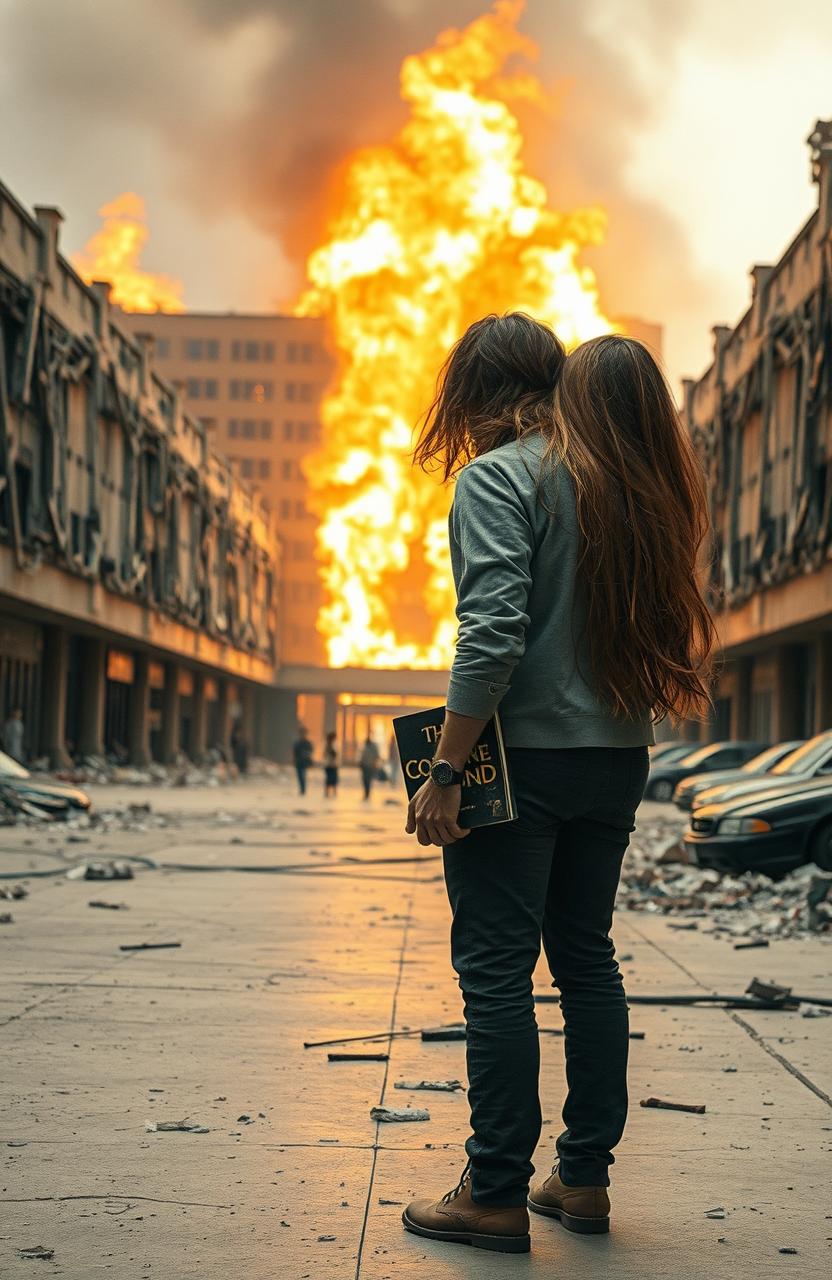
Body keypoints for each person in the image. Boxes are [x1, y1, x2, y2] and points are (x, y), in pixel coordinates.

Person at [401, 316, 715, 1255]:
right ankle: (581, 1180)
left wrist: (446, 769)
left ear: (474, 396)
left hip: (522, 761)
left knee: (496, 972)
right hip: (617, 756)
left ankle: (493, 1191)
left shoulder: (498, 479)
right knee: (586, 960)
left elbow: (491, 630)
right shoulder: (613, 479)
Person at [292, 728, 314, 796]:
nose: (302, 735)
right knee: (299, 776)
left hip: (305, 762)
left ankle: (303, 789)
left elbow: (311, 751)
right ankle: (302, 789)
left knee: (303, 775)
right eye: (301, 733)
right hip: (298, 762)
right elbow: (294, 752)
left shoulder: (308, 743)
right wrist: (294, 760)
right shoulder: (297, 743)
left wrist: (307, 755)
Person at [359, 735, 381, 800]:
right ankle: (366, 794)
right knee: (365, 780)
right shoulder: (365, 746)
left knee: (368, 780)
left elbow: (377, 756)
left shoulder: (373, 747)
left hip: (370, 766)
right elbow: (362, 756)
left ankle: (367, 794)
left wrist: (375, 764)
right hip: (364, 766)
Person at [323, 730, 339, 797]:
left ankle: (330, 792)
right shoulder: (329, 745)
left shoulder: (331, 744)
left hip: (331, 765)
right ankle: (329, 792)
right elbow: (333, 755)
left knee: (331, 779)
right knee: (331, 779)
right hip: (331, 765)